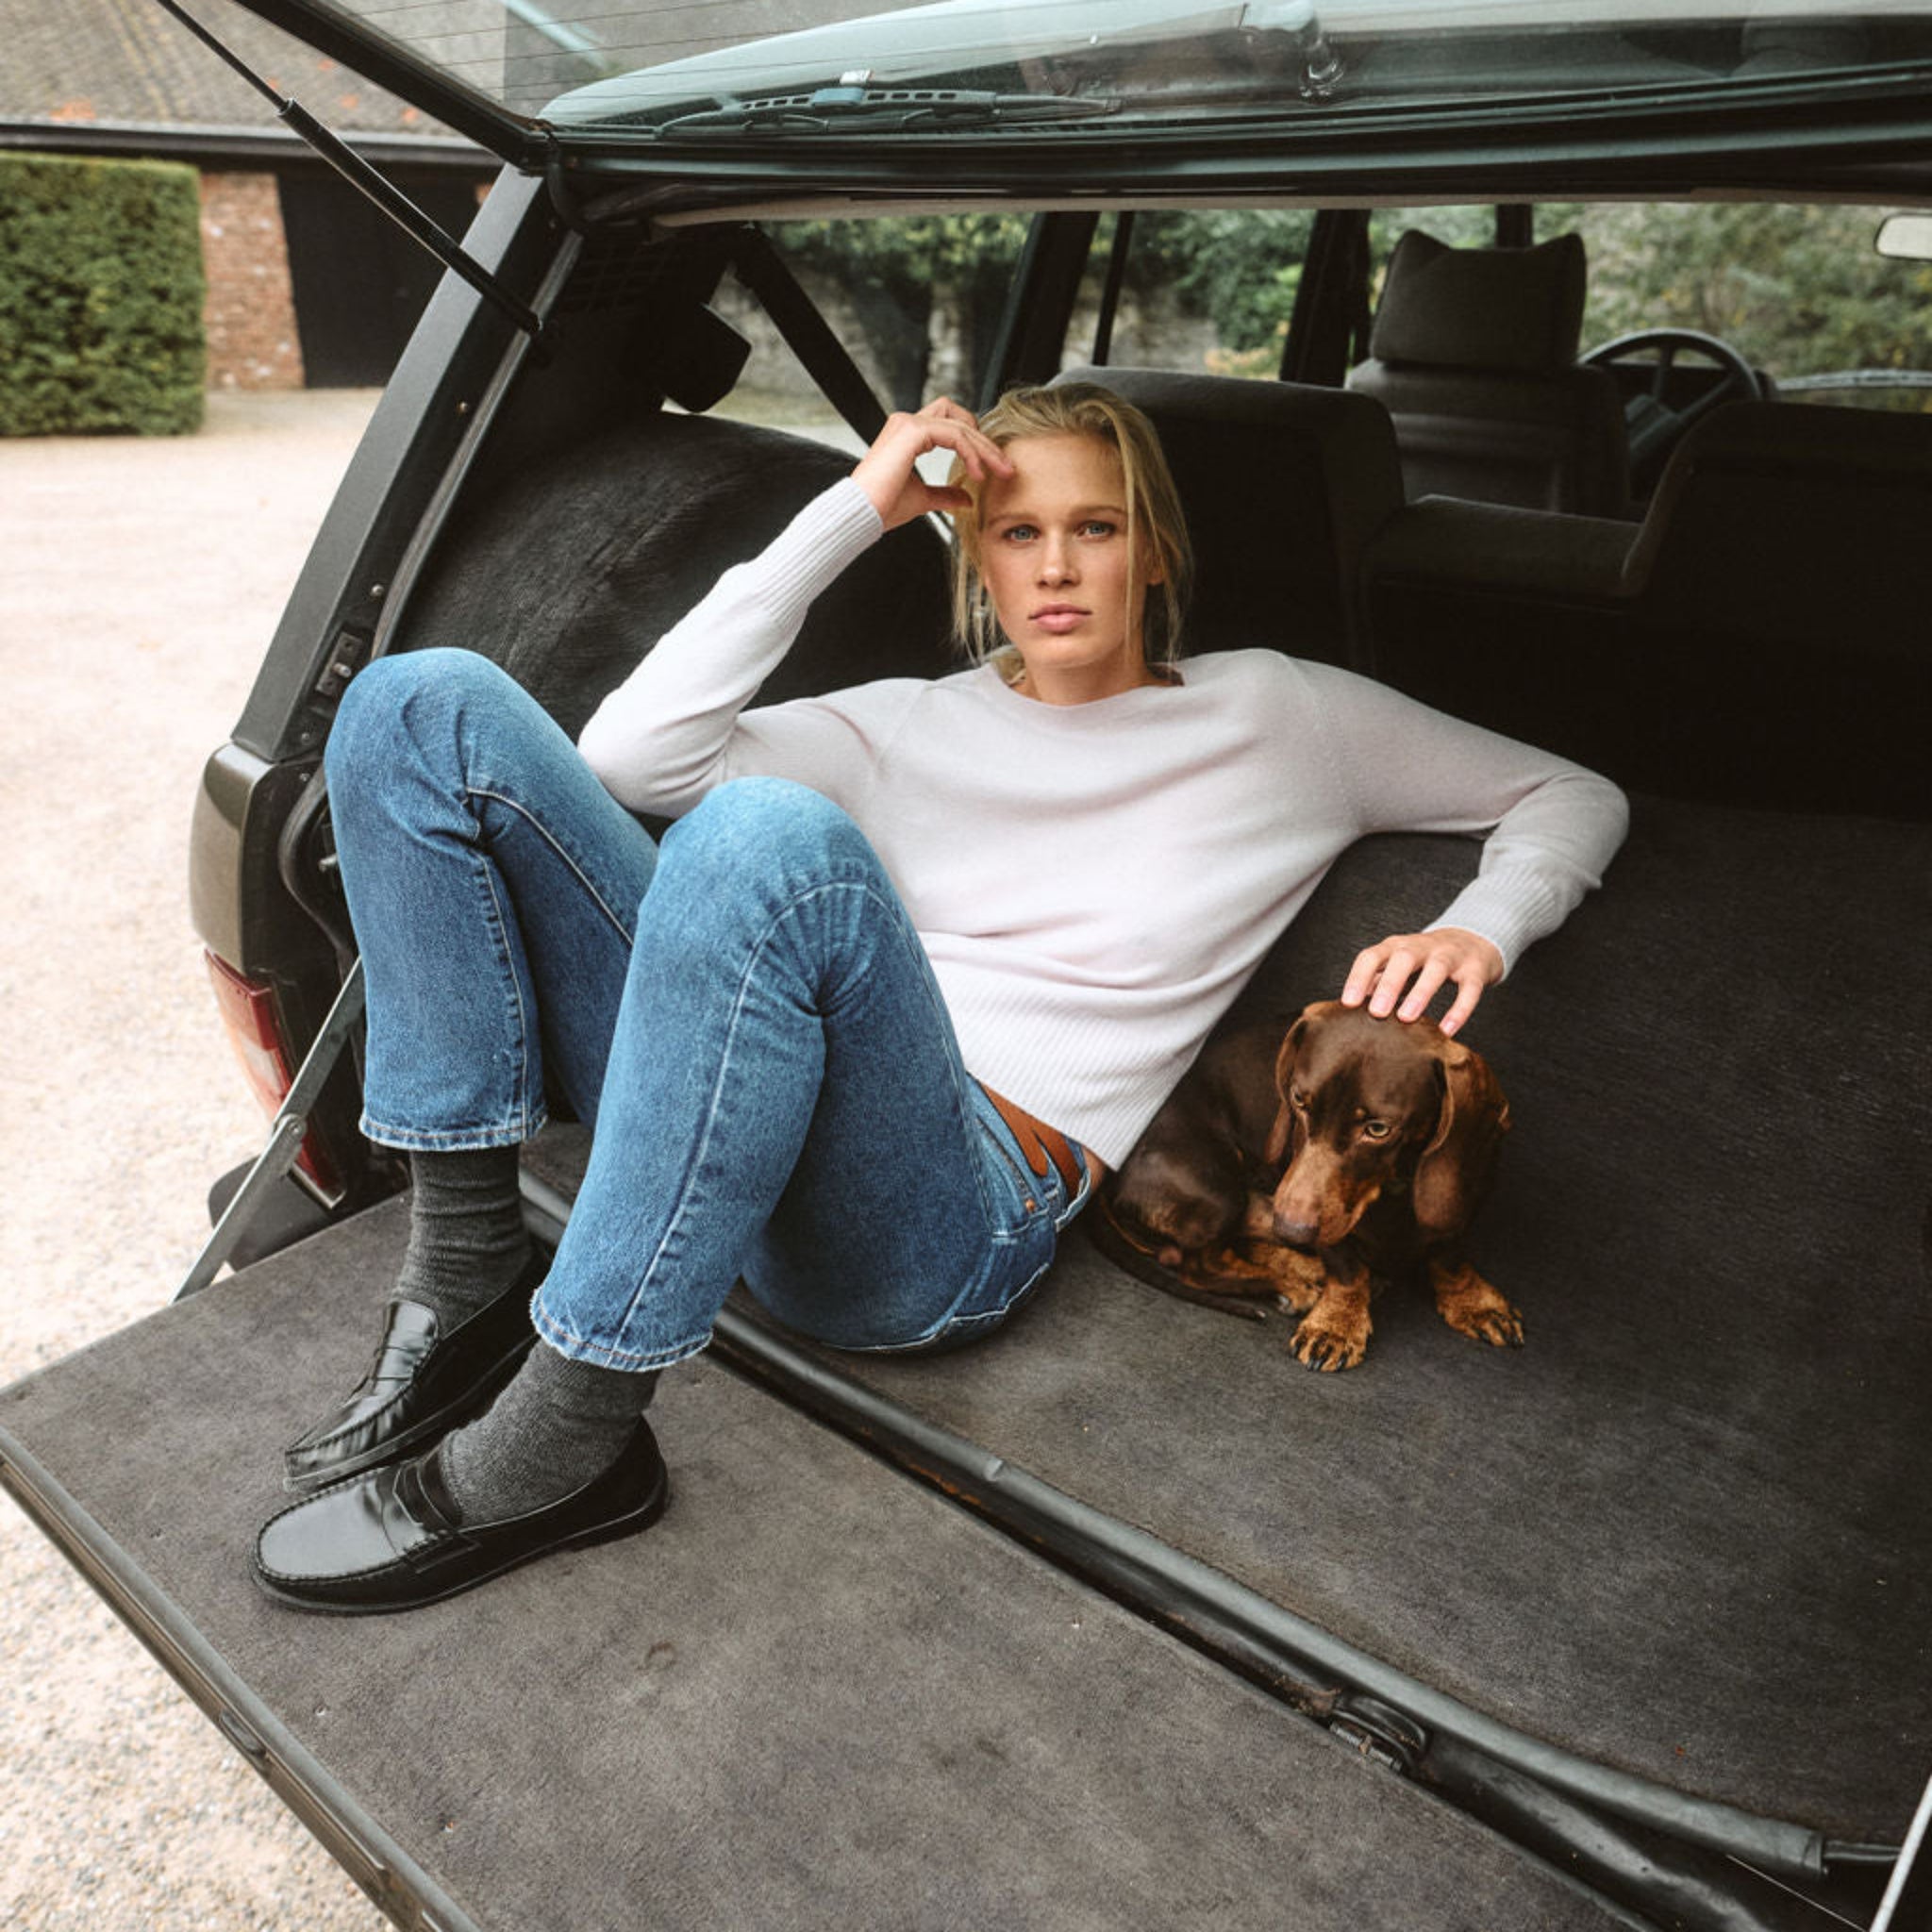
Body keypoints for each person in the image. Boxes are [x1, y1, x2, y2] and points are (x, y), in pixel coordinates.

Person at [252, 384, 1627, 1614]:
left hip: (953, 1213)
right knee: (419, 703)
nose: (1058, 567)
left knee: (762, 840)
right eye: (1018, 533)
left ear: (1156, 548)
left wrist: (1478, 929)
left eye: (1095, 528)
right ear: (975, 550)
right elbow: (626, 752)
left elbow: (1574, 790)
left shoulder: (1288, 719)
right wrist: (854, 508)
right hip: (733, 1128)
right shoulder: (910, 717)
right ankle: (466, 1272)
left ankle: (571, 1440)